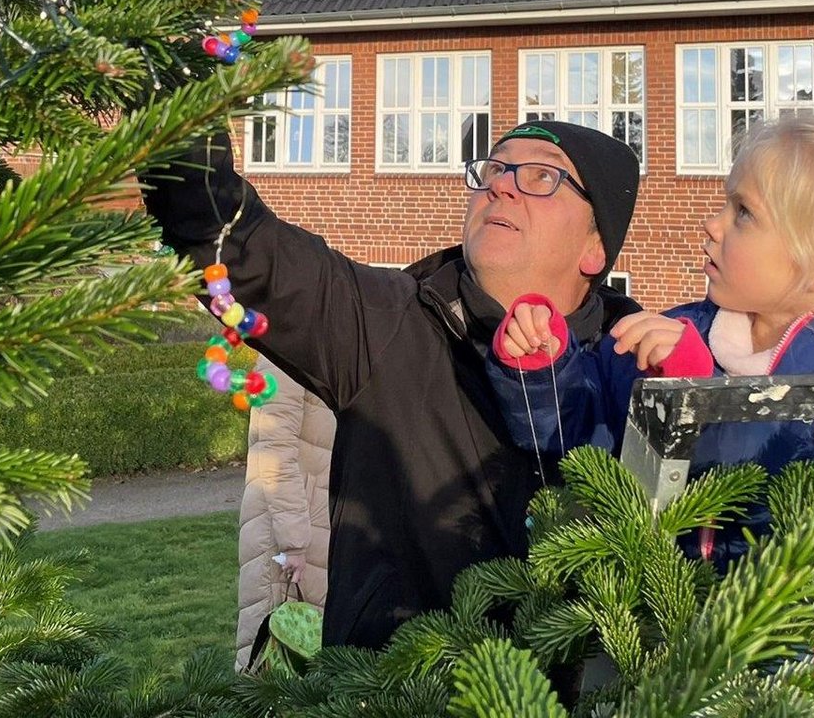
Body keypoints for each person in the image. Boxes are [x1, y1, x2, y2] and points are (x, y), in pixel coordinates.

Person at [486, 111, 814, 681]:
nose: (712, 223)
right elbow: (577, 440)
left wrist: (703, 397)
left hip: (796, 683)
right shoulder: (679, 334)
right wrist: (545, 367)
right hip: (656, 661)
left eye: (743, 212)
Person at [139, 120, 641, 649]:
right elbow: (236, 246)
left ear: (594, 248)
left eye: (542, 175)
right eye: (495, 167)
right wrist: (177, 96)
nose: (500, 183)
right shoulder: (389, 325)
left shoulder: (639, 371)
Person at [236, 354, 336, 671]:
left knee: (312, 649)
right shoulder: (281, 356)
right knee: (272, 655)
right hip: (286, 535)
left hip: (317, 524)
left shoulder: (322, 346)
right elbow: (273, 448)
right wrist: (293, 542)